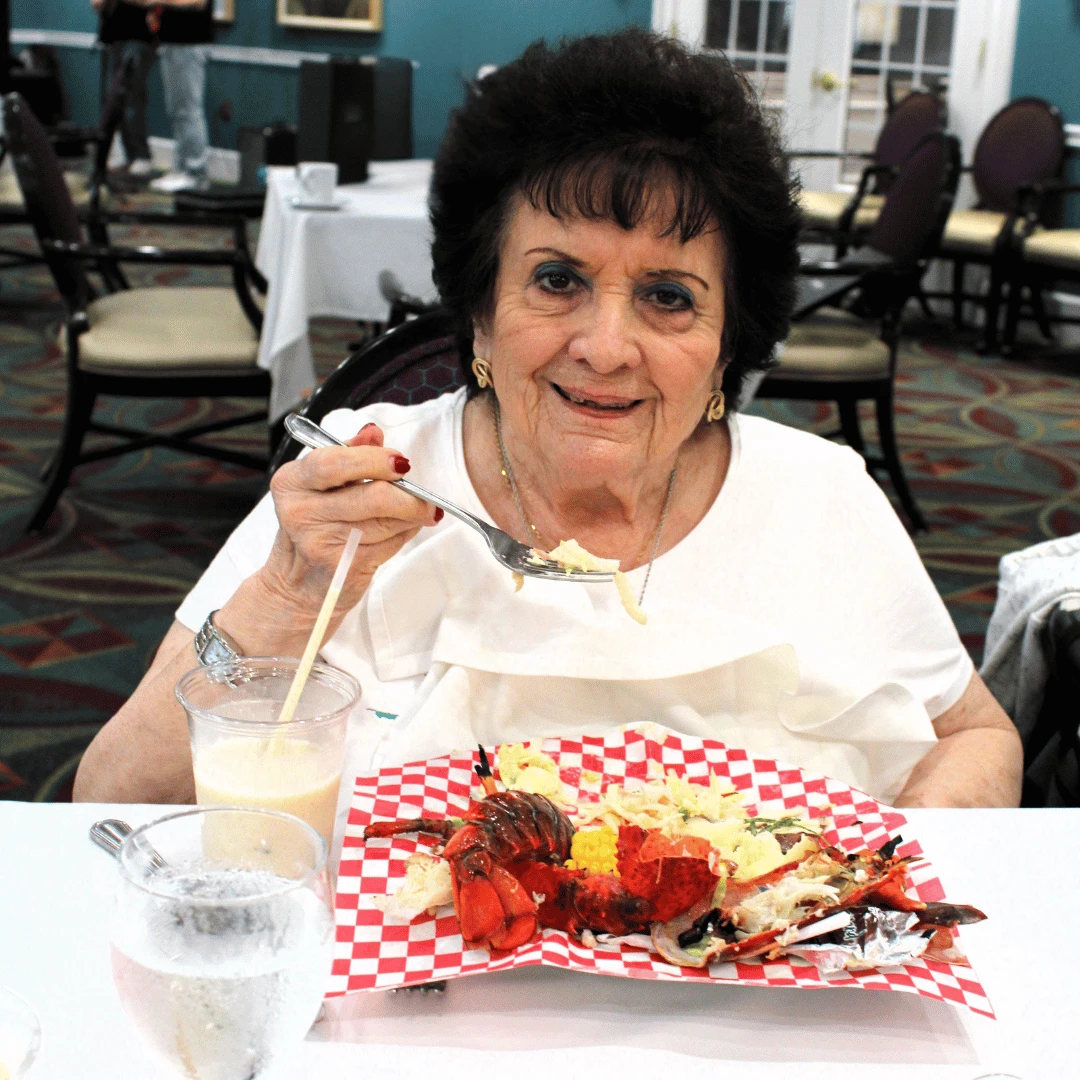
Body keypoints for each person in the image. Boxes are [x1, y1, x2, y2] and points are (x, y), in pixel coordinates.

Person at [73, 30, 1022, 828]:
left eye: (667, 297)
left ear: (729, 342)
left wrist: (874, 881)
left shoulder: (820, 499)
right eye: (557, 280)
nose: (606, 347)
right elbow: (113, 799)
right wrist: (288, 591)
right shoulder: (373, 473)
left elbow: (978, 739)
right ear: (480, 311)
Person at [147, 0, 214, 192]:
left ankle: (195, 172)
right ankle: (182, 168)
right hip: (174, 42)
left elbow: (198, 2)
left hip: (189, 43)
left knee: (188, 111)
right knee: (178, 111)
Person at [92, 0, 156, 176]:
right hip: (112, 37)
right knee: (113, 100)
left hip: (137, 36)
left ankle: (141, 155)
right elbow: (96, 4)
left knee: (132, 99)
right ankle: (126, 154)